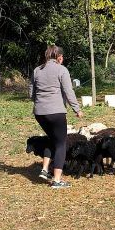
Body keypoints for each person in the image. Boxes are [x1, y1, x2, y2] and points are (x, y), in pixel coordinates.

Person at [30, 45, 81, 189]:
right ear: (58, 56)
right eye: (62, 57)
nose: (62, 59)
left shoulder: (37, 70)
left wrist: (40, 102)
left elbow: (31, 93)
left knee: (52, 139)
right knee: (61, 144)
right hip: (56, 113)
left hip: (39, 113)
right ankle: (57, 180)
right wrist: (77, 109)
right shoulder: (62, 70)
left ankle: (45, 169)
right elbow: (68, 91)